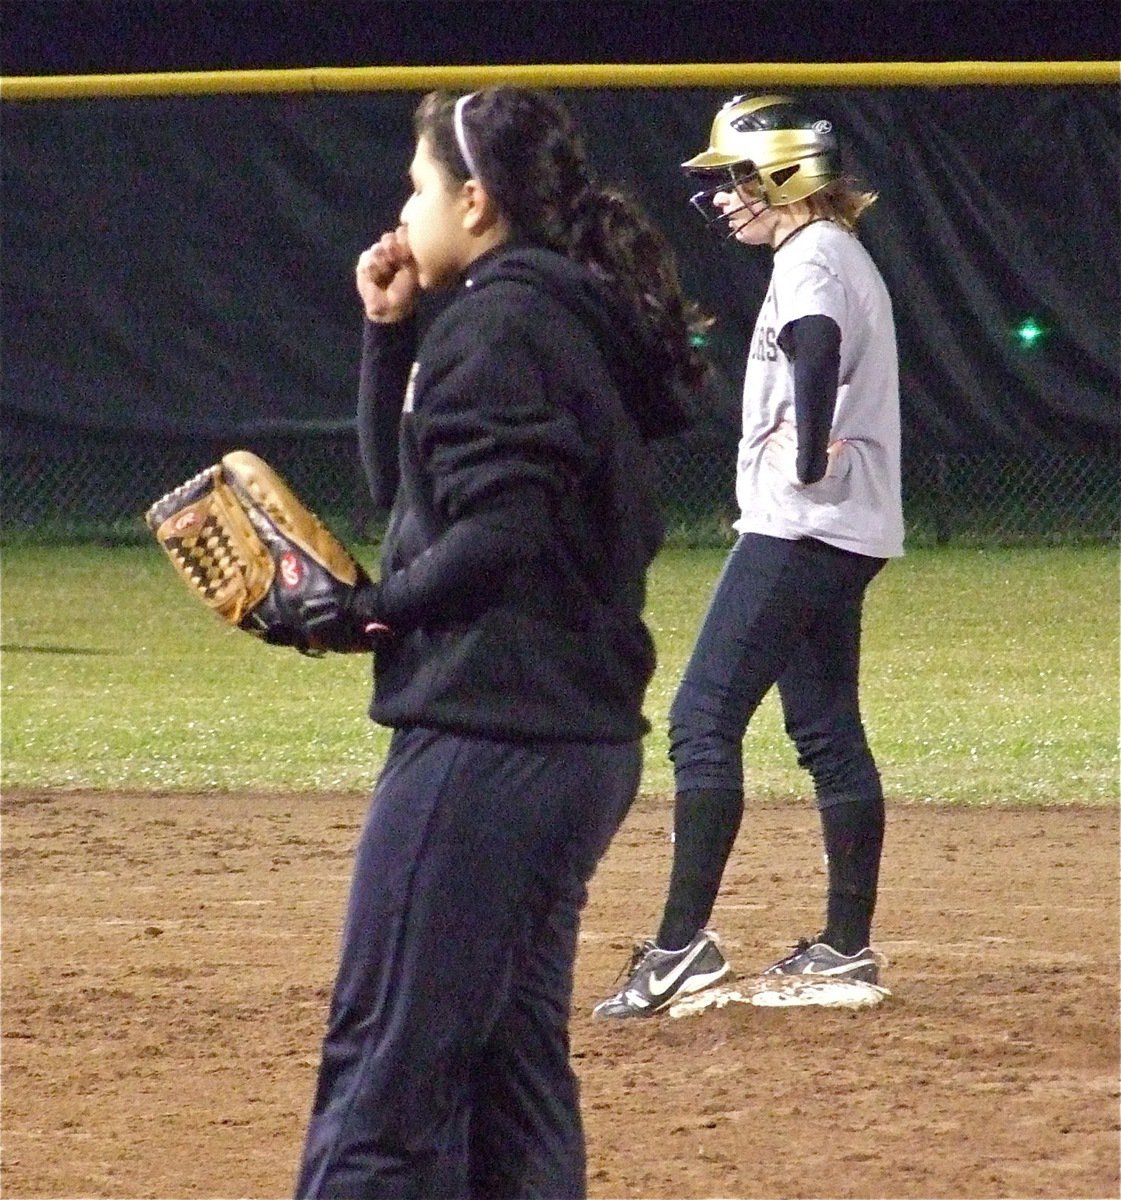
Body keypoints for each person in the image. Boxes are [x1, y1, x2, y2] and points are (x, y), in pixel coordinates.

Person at [294, 87, 707, 1197]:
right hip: (568, 744)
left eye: (420, 183)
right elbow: (421, 498)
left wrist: (369, 609)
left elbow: (500, 533)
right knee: (512, 1078)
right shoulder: (543, 312)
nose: (405, 204)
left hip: (488, 741)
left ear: (475, 200)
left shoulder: (503, 321)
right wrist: (388, 340)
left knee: (385, 1073)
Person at [594, 93, 904, 1019]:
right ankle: (844, 948)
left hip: (801, 526)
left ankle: (681, 947)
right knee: (824, 729)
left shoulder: (812, 259)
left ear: (783, 174)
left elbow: (816, 347)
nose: (724, 197)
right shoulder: (827, 254)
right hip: (837, 529)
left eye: (736, 177)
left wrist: (807, 455)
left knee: (699, 720)